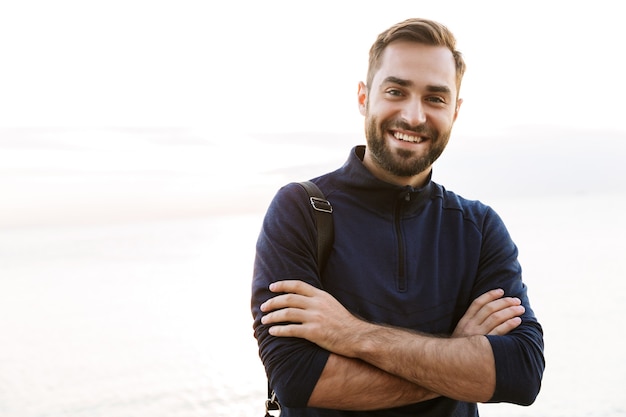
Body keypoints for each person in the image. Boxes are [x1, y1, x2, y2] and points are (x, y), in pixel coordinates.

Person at [251, 17, 545, 417]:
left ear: (455, 111)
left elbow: (522, 374)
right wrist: (457, 356)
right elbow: (297, 378)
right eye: (396, 91)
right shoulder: (300, 210)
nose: (414, 116)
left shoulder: (479, 227)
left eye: (435, 98)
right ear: (363, 97)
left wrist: (350, 334)